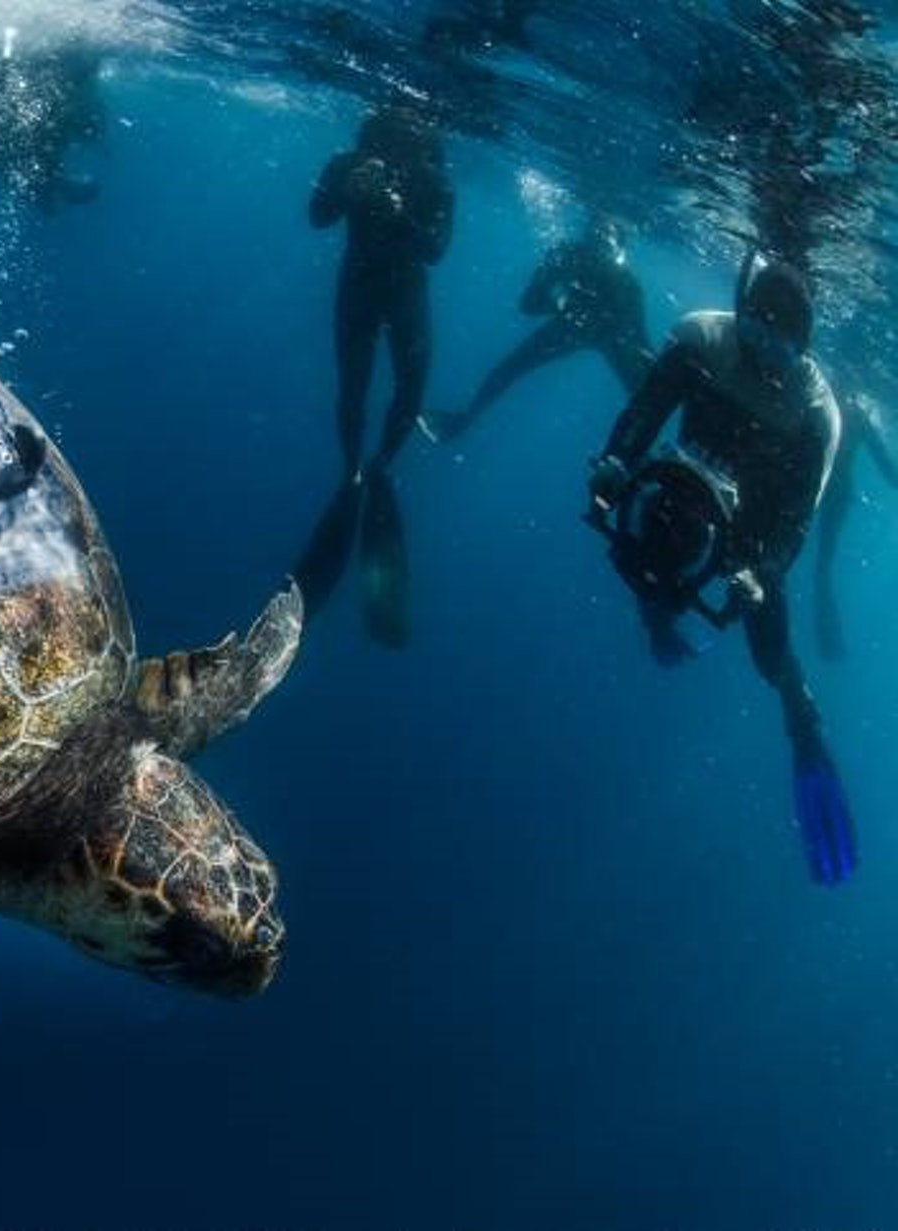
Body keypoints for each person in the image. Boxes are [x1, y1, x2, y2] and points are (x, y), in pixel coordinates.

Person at [587, 257, 855, 884]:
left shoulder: (817, 412)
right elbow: (645, 410)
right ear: (740, 316)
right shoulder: (703, 338)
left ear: (804, 347)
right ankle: (660, 621)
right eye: (754, 332)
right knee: (651, 550)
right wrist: (614, 462)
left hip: (752, 533)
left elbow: (795, 522)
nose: (762, 355)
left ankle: (802, 718)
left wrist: (763, 573)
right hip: (683, 490)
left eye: (779, 345)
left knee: (768, 648)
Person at [294, 107, 455, 646]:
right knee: (353, 390)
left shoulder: (437, 182)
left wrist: (398, 211)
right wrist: (348, 192)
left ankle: (381, 463)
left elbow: (435, 250)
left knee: (410, 394)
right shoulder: (347, 163)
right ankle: (353, 471)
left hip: (406, 294)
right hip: (359, 288)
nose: (402, 139)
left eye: (413, 132)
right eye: (393, 130)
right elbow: (317, 216)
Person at [425, 217, 651, 443]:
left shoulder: (627, 284)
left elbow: (640, 341)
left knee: (645, 389)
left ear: (619, 250)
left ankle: (639, 446)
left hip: (605, 333)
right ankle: (461, 422)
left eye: (604, 243)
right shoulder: (567, 255)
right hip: (573, 326)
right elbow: (528, 304)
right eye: (593, 238)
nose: (597, 247)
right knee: (509, 368)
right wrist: (556, 303)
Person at [814, 386, 898, 659]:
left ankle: (829, 640)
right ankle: (829, 640)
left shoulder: (819, 400)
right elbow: (886, 467)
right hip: (831, 492)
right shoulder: (856, 414)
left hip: (810, 486)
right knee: (822, 566)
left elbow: (888, 469)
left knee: (817, 564)